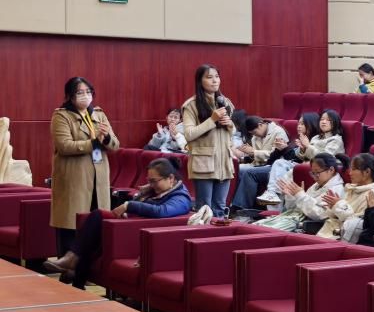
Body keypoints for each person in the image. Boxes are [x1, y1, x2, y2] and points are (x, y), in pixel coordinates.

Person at [45, 159, 193, 288]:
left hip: (140, 234)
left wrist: (129, 205)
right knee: (96, 227)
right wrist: (145, 192)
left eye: (154, 181)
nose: (151, 184)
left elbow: (162, 211)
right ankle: (75, 273)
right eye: (149, 181)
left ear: (171, 178)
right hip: (128, 227)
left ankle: (73, 263)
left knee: (98, 221)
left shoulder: (181, 198)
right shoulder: (157, 191)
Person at [48, 77, 119, 254]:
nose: (85, 96)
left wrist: (107, 138)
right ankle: (66, 264)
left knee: (95, 224)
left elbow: (115, 145)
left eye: (88, 92)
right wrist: (93, 143)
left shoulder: (98, 114)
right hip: (74, 179)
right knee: (71, 225)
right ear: (70, 96)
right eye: (80, 92)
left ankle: (87, 267)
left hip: (98, 179)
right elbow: (64, 146)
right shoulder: (61, 116)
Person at [180, 65, 236, 218]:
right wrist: (212, 120)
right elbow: (189, 134)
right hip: (204, 164)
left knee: (220, 209)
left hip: (224, 162)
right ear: (200, 81)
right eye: (209, 77)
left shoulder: (225, 102)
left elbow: (232, 133)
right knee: (204, 209)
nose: (215, 81)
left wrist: (230, 124)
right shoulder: (191, 105)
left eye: (217, 76)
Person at [262, 153, 345, 233]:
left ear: (331, 170)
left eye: (317, 173)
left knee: (264, 231)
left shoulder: (336, 190)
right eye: (313, 173)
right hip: (292, 218)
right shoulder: (316, 185)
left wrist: (301, 196)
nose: (314, 177)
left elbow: (321, 215)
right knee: (259, 226)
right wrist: (291, 196)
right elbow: (294, 208)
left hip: (304, 225)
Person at [230, 116, 289, 210]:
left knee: (248, 172)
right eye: (252, 133)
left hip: (274, 165)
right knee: (236, 168)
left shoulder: (278, 132)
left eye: (255, 132)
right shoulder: (255, 137)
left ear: (260, 125)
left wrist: (253, 152)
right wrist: (249, 153)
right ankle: (231, 201)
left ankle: (241, 206)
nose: (254, 135)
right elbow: (256, 156)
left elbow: (275, 155)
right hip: (258, 164)